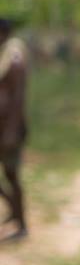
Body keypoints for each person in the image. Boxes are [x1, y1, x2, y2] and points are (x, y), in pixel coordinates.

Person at [0, 18, 28, 243]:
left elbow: (18, 97)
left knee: (12, 175)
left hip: (9, 130)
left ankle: (22, 225)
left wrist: (11, 131)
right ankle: (13, 210)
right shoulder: (4, 55)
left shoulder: (14, 56)